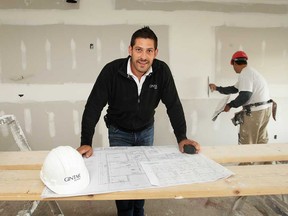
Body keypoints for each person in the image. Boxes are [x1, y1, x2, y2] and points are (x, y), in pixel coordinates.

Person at [77, 26, 200, 216]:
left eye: (149, 50)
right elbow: (93, 106)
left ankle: (139, 211)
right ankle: (125, 213)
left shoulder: (161, 71)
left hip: (146, 131)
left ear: (156, 53)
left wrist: (182, 137)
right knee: (122, 180)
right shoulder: (112, 71)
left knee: (144, 176)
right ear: (130, 50)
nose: (143, 56)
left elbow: (173, 104)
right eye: (139, 49)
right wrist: (86, 141)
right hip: (119, 132)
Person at [209, 50, 276, 146]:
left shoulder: (245, 74)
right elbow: (234, 89)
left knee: (247, 143)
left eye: (233, 66)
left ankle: (247, 162)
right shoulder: (250, 72)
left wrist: (230, 105)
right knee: (261, 142)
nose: (233, 68)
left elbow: (245, 95)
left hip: (255, 112)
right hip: (265, 110)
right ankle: (263, 161)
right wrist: (217, 88)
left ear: (235, 63)